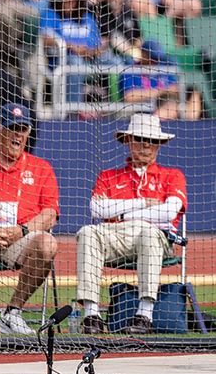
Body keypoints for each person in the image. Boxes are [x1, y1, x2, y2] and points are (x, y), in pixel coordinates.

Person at [76, 114, 187, 335]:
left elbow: (170, 210)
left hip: (156, 238)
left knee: (148, 232)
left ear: (159, 145)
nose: (146, 145)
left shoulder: (172, 175)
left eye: (153, 140)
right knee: (87, 232)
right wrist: (143, 203)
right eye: (139, 138)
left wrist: (121, 212)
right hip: (114, 237)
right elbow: (97, 210)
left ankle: (144, 315)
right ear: (128, 141)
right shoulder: (108, 176)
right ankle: (91, 315)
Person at [0, 103, 59, 335]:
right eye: (12, 128)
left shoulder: (42, 168)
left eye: (23, 129)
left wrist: (21, 231)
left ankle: (12, 312)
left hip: (21, 236)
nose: (18, 134)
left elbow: (50, 214)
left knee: (48, 243)